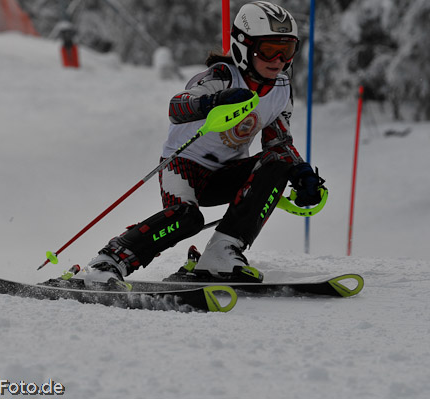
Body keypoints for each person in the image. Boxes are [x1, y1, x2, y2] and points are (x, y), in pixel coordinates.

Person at [74, 1, 325, 289]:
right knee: (186, 219)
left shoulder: (280, 89)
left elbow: (279, 142)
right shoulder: (222, 76)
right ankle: (109, 261)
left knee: (279, 164)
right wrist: (212, 101)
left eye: (288, 49)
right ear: (244, 45)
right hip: (184, 167)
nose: (279, 59)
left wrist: (302, 173)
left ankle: (222, 252)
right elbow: (177, 107)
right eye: (269, 49)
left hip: (226, 172)